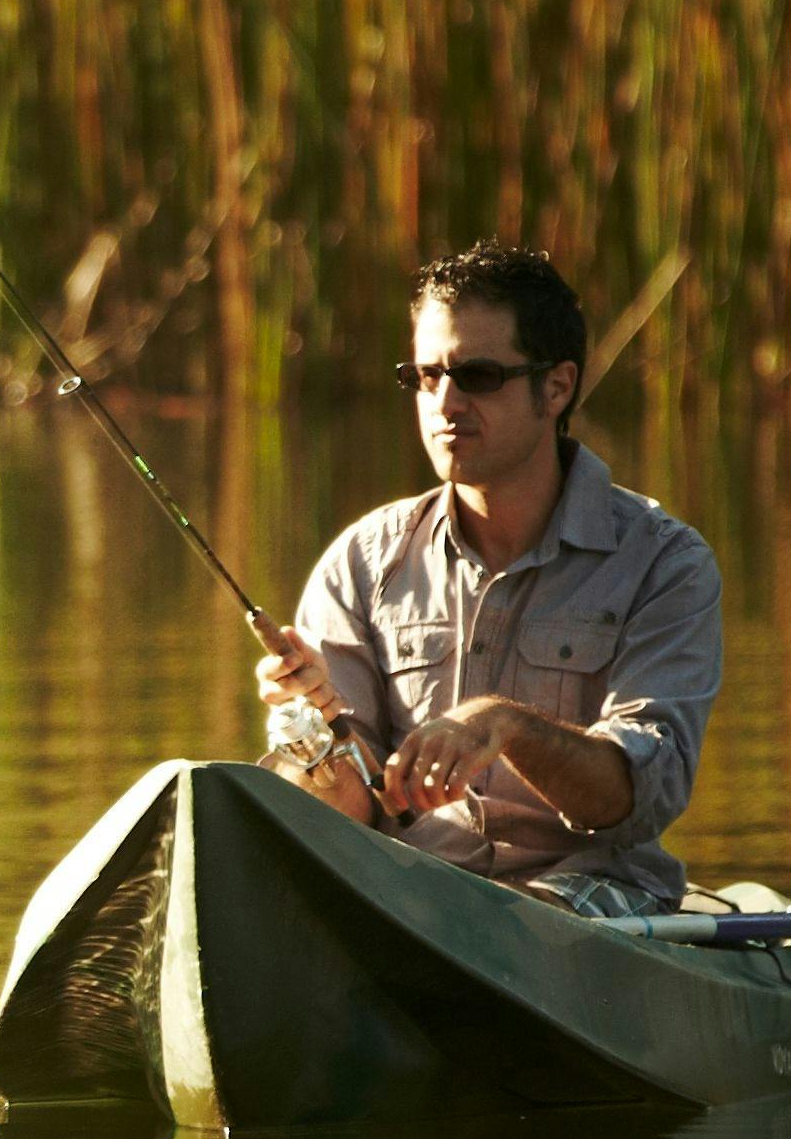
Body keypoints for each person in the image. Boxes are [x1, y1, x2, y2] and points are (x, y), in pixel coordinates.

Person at [246, 242, 721, 915]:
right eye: (425, 375)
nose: (444, 402)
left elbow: (638, 798)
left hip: (593, 903)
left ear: (556, 387)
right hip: (407, 902)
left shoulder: (664, 562)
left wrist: (505, 726)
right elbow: (341, 810)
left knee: (534, 921)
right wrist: (309, 729)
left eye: (477, 376)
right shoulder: (360, 561)